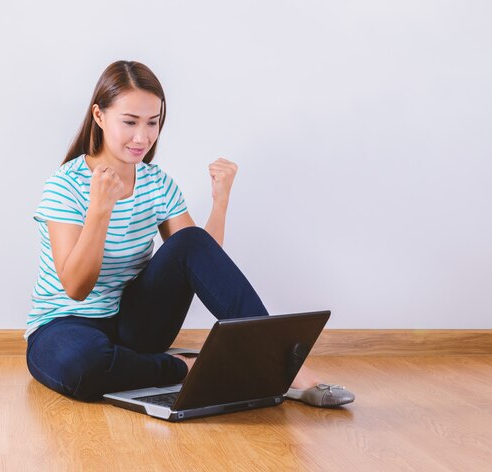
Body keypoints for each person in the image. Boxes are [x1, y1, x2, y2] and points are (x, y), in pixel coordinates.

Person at [25, 60, 355, 408]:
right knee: (83, 366)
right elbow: (76, 289)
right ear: (99, 116)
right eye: (130, 122)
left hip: (134, 329)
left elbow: (201, 260)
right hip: (63, 326)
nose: (143, 137)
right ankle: (186, 367)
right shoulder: (64, 185)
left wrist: (220, 202)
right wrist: (99, 210)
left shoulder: (157, 183)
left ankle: (285, 365)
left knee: (189, 239)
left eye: (153, 123)